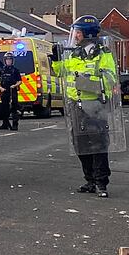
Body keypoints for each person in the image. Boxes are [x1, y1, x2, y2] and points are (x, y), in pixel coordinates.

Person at [51, 15, 117, 198]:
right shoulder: (74, 53)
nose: (75, 36)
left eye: (78, 32)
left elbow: (110, 79)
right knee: (80, 144)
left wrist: (86, 82)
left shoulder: (103, 54)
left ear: (87, 34)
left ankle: (101, 182)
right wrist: (55, 59)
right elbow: (61, 72)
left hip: (95, 106)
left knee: (98, 145)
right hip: (75, 106)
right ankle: (89, 179)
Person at [0, 52, 22, 131]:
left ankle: (15, 124)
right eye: (7, 60)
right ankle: (5, 124)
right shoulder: (2, 70)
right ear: (5, 61)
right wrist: (0, 87)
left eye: (10, 60)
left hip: (12, 91)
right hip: (4, 91)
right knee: (4, 108)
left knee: (14, 108)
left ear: (12, 61)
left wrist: (15, 85)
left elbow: (19, 81)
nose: (8, 61)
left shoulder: (15, 70)